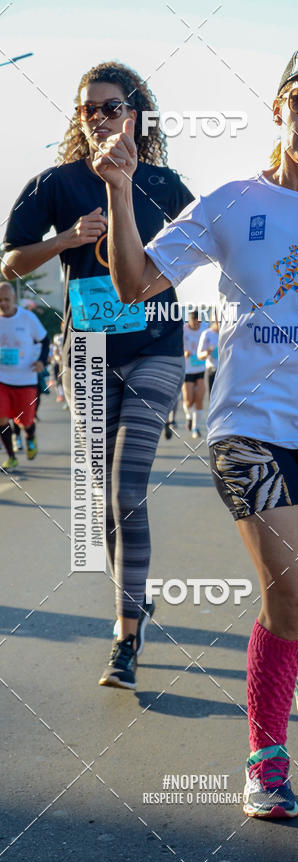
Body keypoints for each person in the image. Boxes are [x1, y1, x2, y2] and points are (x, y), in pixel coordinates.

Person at [94, 42, 298, 818]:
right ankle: (266, 757)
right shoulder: (233, 202)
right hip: (251, 427)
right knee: (292, 595)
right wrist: (122, 188)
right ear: (279, 108)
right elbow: (135, 284)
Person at [2, 61, 194, 687]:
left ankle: (125, 638)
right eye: (89, 109)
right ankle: (134, 597)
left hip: (156, 346)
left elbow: (203, 253)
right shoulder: (54, 185)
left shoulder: (164, 185)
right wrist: (63, 242)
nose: (99, 119)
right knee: (104, 502)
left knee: (126, 487)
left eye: (112, 108)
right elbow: (9, 263)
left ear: (135, 115)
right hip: (86, 355)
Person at [0, 282, 48, 470]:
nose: (3, 304)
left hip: (26, 379)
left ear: (14, 299)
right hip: (2, 379)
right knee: (1, 417)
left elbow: (43, 340)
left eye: (6, 299)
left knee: (25, 422)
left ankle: (30, 436)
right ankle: (11, 456)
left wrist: (42, 362)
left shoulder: (28, 318)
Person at [181, 309, 206, 439]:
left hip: (201, 368)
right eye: (193, 323)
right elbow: (176, 345)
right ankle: (189, 417)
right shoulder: (183, 330)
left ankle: (196, 428)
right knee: (188, 400)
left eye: (198, 324)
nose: (196, 326)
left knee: (199, 398)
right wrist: (184, 351)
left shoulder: (205, 328)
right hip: (187, 369)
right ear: (189, 321)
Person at [197, 317, 219, 398]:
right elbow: (199, 355)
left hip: (227, 372)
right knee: (213, 399)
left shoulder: (230, 333)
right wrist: (207, 352)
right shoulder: (207, 333)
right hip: (213, 370)